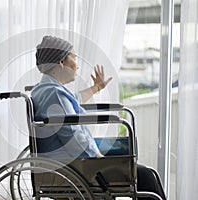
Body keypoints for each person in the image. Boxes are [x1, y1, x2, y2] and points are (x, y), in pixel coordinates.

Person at [31, 35, 166, 200]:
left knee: (146, 172)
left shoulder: (46, 90)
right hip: (76, 166)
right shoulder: (54, 94)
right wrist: (98, 159)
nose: (77, 65)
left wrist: (96, 88)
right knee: (146, 177)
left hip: (68, 161)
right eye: (74, 57)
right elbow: (71, 136)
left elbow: (74, 100)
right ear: (61, 62)